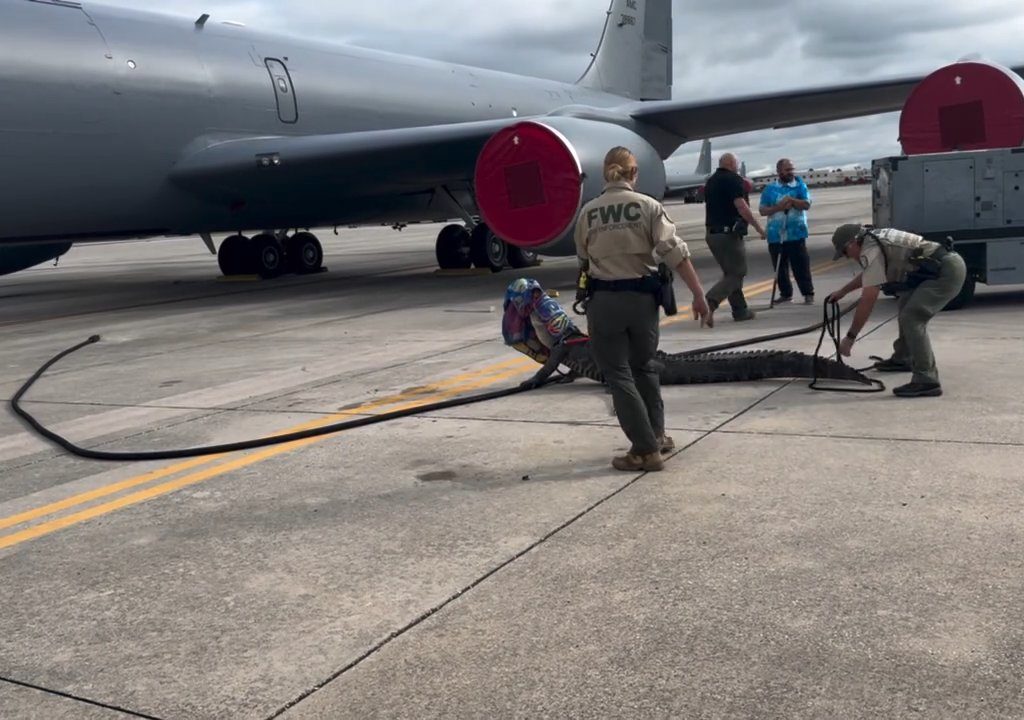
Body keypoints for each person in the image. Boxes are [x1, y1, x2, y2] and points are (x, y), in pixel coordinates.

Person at [574, 146, 712, 472]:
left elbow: (583, 259)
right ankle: (658, 435)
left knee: (618, 374)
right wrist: (699, 295)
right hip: (643, 302)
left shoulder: (588, 213)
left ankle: (644, 449)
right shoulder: (649, 207)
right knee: (645, 367)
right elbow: (675, 253)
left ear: (605, 173)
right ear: (634, 174)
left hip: (605, 302)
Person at [827, 223, 967, 397]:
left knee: (912, 317)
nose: (848, 258)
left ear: (852, 243)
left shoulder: (870, 250)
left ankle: (927, 379)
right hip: (933, 271)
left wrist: (850, 337)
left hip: (946, 272)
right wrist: (843, 291)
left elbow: (869, 298)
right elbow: (871, 274)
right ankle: (904, 357)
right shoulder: (871, 241)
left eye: (845, 253)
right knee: (905, 305)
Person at [703, 152, 766, 323]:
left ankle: (740, 311)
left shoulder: (711, 181)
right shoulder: (734, 180)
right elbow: (742, 207)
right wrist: (759, 228)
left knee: (730, 273)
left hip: (711, 234)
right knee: (737, 273)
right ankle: (710, 301)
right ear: (731, 163)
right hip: (727, 234)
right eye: (736, 164)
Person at [759, 158, 815, 304]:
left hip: (796, 233)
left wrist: (792, 200)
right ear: (779, 172)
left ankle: (808, 293)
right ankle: (785, 293)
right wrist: (778, 207)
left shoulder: (799, 186)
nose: (791, 172)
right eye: (787, 170)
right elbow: (762, 210)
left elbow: (807, 204)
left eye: (792, 169)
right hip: (776, 235)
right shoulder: (770, 189)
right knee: (780, 267)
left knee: (801, 265)